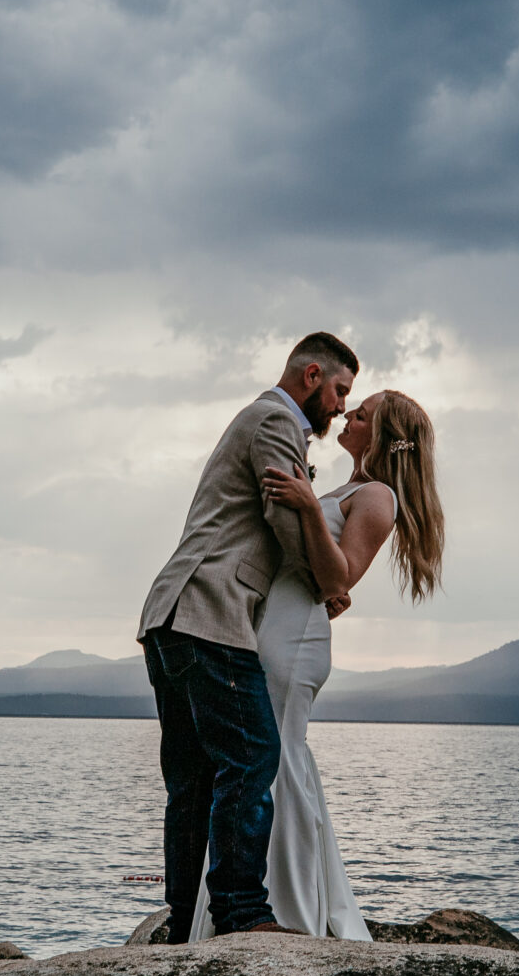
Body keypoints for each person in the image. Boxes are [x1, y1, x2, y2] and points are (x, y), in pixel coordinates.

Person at [183, 385, 446, 941]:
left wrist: (305, 505)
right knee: (264, 757)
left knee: (271, 755)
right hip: (273, 624)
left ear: (388, 438)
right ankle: (258, 900)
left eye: (363, 413)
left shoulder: (377, 497)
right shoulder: (348, 487)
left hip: (294, 637)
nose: (348, 415)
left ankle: (287, 906)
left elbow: (339, 576)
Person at [139, 332, 358, 940]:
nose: (340, 407)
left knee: (192, 782)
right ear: (311, 375)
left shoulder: (254, 418)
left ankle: (184, 922)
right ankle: (239, 914)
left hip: (170, 616)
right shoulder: (274, 421)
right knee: (253, 755)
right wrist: (328, 579)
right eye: (340, 391)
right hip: (212, 612)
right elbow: (287, 526)